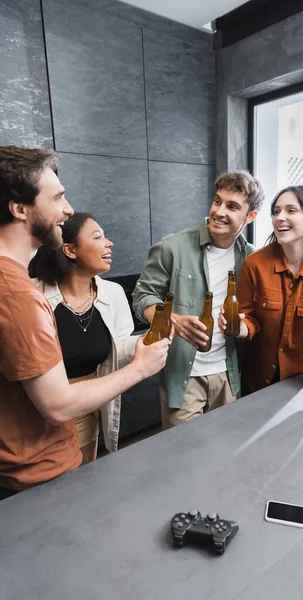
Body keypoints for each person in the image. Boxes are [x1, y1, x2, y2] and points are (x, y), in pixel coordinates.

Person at [0, 146, 171, 501]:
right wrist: (141, 369)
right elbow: (58, 405)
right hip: (36, 477)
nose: (68, 209)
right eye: (58, 197)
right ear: (19, 209)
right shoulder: (20, 296)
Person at [132, 171, 265, 429]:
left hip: (229, 376)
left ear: (250, 217)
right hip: (183, 376)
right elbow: (141, 297)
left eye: (232, 206)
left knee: (225, 454)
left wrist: (240, 328)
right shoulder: (172, 247)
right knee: (182, 460)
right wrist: (172, 320)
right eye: (217, 201)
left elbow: (254, 317)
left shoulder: (252, 259)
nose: (219, 211)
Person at [219, 185, 303, 423]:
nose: (280, 218)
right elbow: (249, 320)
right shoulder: (255, 264)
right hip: (255, 382)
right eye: (276, 211)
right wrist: (238, 326)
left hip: (300, 385)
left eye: (291, 210)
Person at [31, 212, 137, 464]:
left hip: (87, 410)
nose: (109, 243)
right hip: (35, 416)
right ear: (69, 250)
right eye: (98, 237)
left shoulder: (113, 293)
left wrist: (148, 344)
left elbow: (119, 348)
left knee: (80, 485)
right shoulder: (32, 294)